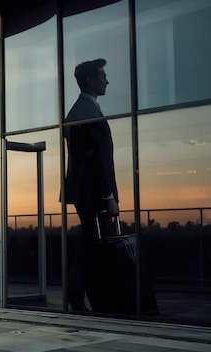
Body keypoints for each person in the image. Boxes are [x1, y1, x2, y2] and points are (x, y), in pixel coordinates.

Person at [62, 58, 119, 311]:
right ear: (90, 80)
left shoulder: (85, 109)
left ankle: (79, 294)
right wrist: (108, 195)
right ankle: (97, 295)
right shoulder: (85, 111)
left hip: (88, 189)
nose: (106, 80)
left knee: (92, 243)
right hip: (92, 190)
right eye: (102, 76)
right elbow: (94, 158)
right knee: (99, 244)